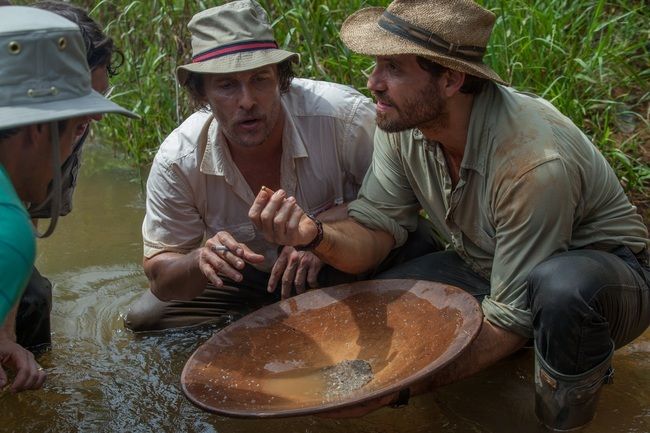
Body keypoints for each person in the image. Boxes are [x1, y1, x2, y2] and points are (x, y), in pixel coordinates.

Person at [248, 0, 650, 430]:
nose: (373, 82)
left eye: (393, 68)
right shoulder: (403, 124)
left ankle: (567, 414)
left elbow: (510, 320)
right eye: (376, 65)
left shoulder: (531, 162)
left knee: (561, 290)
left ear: (450, 80)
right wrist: (315, 236)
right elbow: (375, 229)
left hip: (605, 280)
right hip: (486, 264)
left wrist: (398, 389)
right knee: (385, 303)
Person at [123, 0, 376, 332]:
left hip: (343, 257)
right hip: (248, 277)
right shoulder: (178, 160)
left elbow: (401, 203)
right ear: (202, 93)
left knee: (418, 250)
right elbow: (159, 273)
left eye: (259, 79)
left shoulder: (344, 118)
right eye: (227, 85)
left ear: (280, 79)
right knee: (145, 318)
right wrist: (199, 261)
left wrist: (321, 237)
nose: (247, 101)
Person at [0, 5, 136, 392]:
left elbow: (28, 211)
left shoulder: (53, 137)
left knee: (33, 298)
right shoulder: (9, 232)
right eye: (82, 107)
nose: (94, 119)